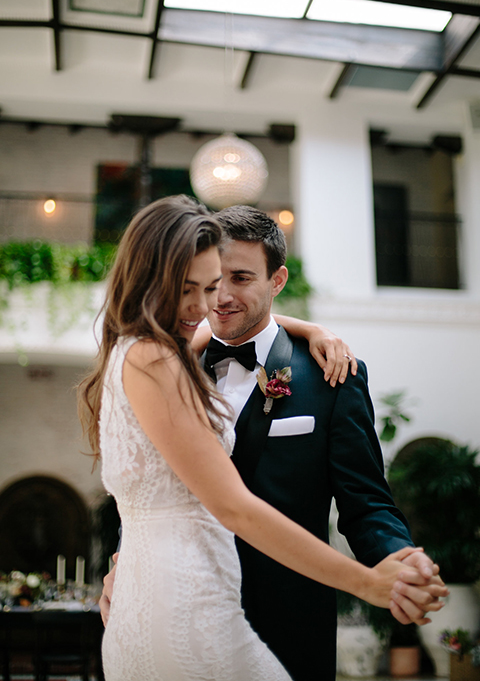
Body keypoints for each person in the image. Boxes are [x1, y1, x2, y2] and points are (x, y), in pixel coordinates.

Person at [81, 196, 445, 681]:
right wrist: (127, 561)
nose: (219, 298)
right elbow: (163, 484)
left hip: (289, 618)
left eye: (240, 278)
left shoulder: (330, 375)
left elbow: (366, 503)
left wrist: (400, 564)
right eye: (210, 282)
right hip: (176, 603)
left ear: (278, 281)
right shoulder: (173, 359)